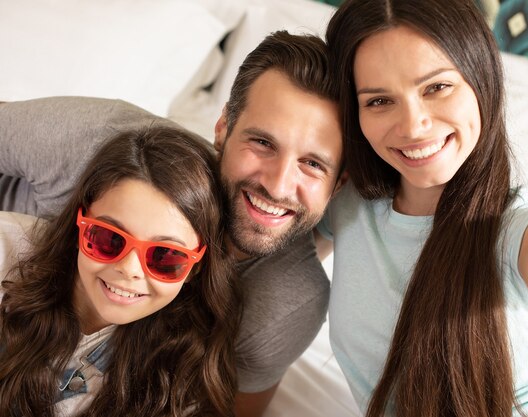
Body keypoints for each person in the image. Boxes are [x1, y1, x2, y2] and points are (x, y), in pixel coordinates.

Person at [0, 31, 345, 417]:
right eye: (263, 142)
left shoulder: (286, 303)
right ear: (223, 126)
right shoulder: (100, 141)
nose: (278, 184)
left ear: (340, 182)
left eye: (313, 163)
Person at [317, 0, 528, 416]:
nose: (412, 125)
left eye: (436, 87)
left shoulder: (523, 225)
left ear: (481, 80)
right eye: (378, 101)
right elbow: (274, 271)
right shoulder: (349, 205)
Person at [0, 126, 239, 416]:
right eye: (109, 238)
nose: (128, 269)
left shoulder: (183, 387)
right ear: (80, 222)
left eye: (165, 256)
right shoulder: (6, 248)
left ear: (196, 268)